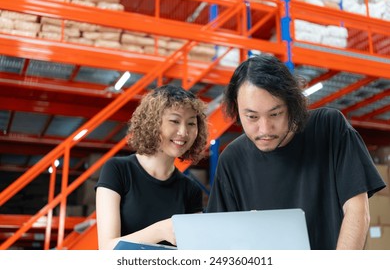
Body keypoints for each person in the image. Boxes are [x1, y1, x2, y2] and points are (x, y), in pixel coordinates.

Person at [206, 54, 386, 250]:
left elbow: (357, 211)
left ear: (291, 104)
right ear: (237, 110)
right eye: (252, 117)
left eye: (275, 114)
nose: (265, 129)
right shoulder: (232, 160)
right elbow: (222, 240)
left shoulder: (329, 128)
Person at [95, 85, 208, 250]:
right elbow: (106, 248)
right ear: (153, 123)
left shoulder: (190, 189)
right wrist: (160, 231)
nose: (184, 132)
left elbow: (196, 251)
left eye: (191, 123)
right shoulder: (117, 170)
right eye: (174, 121)